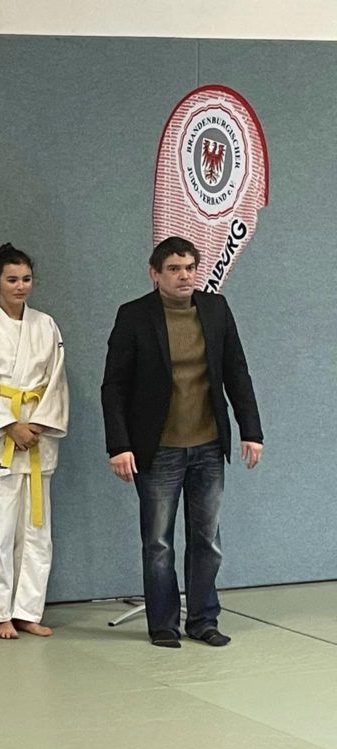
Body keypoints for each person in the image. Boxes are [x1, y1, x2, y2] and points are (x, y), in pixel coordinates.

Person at [101, 236, 263, 648]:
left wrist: (251, 430)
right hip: (158, 449)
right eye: (174, 269)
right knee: (158, 543)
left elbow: (236, 371)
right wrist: (119, 445)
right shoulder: (134, 316)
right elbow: (114, 386)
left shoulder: (216, 309)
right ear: (155, 274)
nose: (184, 276)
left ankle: (204, 620)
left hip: (208, 444)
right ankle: (163, 624)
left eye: (190, 268)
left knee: (207, 540)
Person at [0, 243, 68, 639]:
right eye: (11, 279)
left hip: (37, 437)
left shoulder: (46, 325)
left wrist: (37, 424)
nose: (20, 286)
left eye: (26, 279)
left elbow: (56, 378)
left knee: (36, 532)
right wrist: (10, 426)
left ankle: (27, 610)